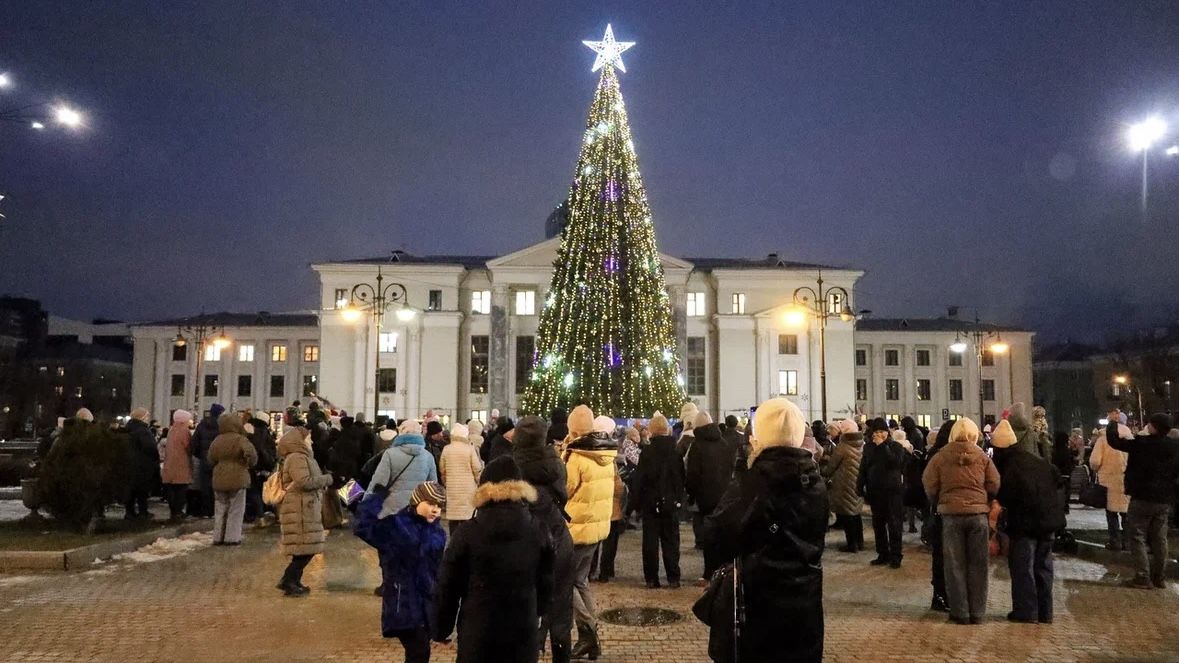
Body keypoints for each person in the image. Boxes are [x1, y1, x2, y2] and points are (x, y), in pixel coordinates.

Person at [701, 397, 827, 663]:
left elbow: (717, 534)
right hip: (805, 603)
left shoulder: (756, 481)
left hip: (760, 605)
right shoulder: (814, 481)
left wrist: (741, 472)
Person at [433, 456, 555, 663]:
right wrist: (539, 611)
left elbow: (448, 585)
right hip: (523, 627)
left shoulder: (467, 532)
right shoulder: (539, 530)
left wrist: (441, 628)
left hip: (478, 629)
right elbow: (547, 580)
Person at [355, 481, 447, 663]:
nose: (435, 510)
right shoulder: (397, 526)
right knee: (419, 651)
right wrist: (375, 498)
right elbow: (363, 527)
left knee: (419, 653)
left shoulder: (438, 533)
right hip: (402, 602)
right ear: (416, 501)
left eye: (439, 506)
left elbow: (438, 570)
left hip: (426, 604)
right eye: (430, 503)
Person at [922, 417, 1000, 625]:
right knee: (978, 565)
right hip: (977, 516)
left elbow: (929, 483)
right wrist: (984, 498)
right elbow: (994, 483)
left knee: (954, 565)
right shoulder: (982, 457)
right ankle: (977, 612)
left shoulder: (940, 457)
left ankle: (960, 612)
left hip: (951, 516)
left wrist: (939, 499)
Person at [513, 415, 575, 663]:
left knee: (524, 608)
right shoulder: (556, 462)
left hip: (523, 544)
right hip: (558, 538)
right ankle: (561, 655)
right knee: (561, 608)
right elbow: (563, 494)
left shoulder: (509, 465)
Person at [990, 419, 1064, 624]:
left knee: (1023, 567)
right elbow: (1057, 479)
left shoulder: (1009, 467)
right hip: (1048, 521)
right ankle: (1045, 612)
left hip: (1025, 524)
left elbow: (1004, 495)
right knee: (1044, 567)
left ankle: (1026, 611)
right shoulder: (1037, 461)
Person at [561, 404, 616, 661]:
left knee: (563, 581)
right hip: (596, 529)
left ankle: (589, 632)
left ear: (573, 430)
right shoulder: (605, 454)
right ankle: (590, 638)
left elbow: (565, 491)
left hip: (575, 530)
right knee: (580, 581)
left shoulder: (577, 457)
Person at [1105, 410, 1179, 589]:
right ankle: (1159, 577)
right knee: (1160, 538)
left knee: (1137, 535)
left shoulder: (1142, 443)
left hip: (1141, 496)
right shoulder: (1175, 447)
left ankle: (1142, 576)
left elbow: (1115, 441)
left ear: (1153, 426)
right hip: (1163, 499)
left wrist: (1113, 423)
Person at [276, 426, 334, 596]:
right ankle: (289, 581)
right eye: (308, 438)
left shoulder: (303, 457)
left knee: (306, 547)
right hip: (299, 508)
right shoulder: (297, 458)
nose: (312, 441)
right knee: (305, 547)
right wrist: (329, 479)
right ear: (300, 441)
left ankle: (292, 580)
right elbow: (304, 481)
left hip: (304, 506)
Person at [632, 412, 685, 589]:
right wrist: (679, 498)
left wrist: (636, 504)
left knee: (650, 542)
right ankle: (673, 576)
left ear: (652, 431)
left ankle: (652, 578)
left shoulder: (647, 452)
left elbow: (639, 480)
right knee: (671, 540)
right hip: (671, 504)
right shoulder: (676, 451)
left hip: (650, 504)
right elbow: (680, 478)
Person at [685, 410, 737, 580]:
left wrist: (691, 495)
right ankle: (724, 572)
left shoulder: (697, 445)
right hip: (724, 495)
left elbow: (692, 474)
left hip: (705, 497)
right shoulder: (723, 443)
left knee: (708, 537)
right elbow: (731, 467)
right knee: (722, 535)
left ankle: (709, 573)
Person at [857, 419, 907, 568]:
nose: (879, 434)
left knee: (894, 525)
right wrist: (859, 486)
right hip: (875, 492)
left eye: (882, 432)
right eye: (876, 432)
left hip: (893, 493)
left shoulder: (896, 447)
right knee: (878, 525)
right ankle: (882, 553)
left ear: (887, 432)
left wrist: (882, 445)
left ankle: (896, 555)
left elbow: (895, 463)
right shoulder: (868, 448)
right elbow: (863, 468)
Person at [367, 421, 439, 519]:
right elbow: (432, 487)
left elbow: (378, 482)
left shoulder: (390, 454)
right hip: (418, 510)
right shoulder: (428, 457)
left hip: (392, 509)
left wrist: (366, 502)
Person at [207, 412, 258, 545]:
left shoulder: (217, 440)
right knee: (236, 509)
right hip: (238, 476)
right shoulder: (240, 439)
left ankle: (218, 537)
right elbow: (251, 454)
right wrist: (248, 463)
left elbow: (210, 459)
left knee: (220, 509)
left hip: (219, 476)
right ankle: (232, 538)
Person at [923, 420, 955, 612]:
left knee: (942, 554)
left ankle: (942, 594)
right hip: (940, 510)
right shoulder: (939, 455)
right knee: (942, 555)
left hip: (938, 509)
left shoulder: (935, 454)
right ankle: (940, 595)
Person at [823, 419, 864, 553]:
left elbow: (831, 467)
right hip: (858, 483)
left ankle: (851, 545)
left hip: (844, 484)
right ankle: (860, 542)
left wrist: (824, 472)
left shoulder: (843, 446)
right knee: (856, 514)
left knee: (847, 515)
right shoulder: (862, 444)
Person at [1089, 420, 1130, 550]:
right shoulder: (1130, 439)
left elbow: (1095, 461)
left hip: (1108, 481)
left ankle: (1115, 542)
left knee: (1111, 513)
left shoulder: (1103, 440)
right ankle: (1128, 543)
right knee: (1127, 514)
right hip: (1127, 480)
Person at [439, 423, 483, 536]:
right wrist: (479, 482)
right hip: (468, 488)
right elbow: (477, 468)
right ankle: (466, 540)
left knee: (453, 518)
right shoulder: (470, 449)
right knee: (467, 516)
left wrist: (445, 482)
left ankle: (453, 539)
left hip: (452, 488)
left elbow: (442, 469)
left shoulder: (446, 449)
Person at [124, 407, 158, 520]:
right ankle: (143, 512)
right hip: (143, 465)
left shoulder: (127, 429)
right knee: (142, 491)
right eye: (146, 416)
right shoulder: (143, 430)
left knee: (130, 490)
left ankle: (129, 512)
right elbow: (150, 447)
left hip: (128, 464)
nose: (147, 418)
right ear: (142, 417)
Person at [160, 409, 194, 522]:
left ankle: (173, 511)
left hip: (170, 464)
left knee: (171, 489)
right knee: (181, 489)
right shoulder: (184, 431)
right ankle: (178, 512)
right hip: (181, 463)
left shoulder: (171, 430)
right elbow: (189, 447)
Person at [191, 403, 224, 518]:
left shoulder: (201, 425)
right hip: (219, 461)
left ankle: (206, 511)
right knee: (219, 487)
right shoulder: (223, 426)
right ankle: (217, 511)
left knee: (205, 487)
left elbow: (193, 444)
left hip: (205, 461)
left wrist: (201, 455)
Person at [244, 411, 276, 524]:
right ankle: (268, 513)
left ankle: (259, 515)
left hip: (255, 465)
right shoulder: (267, 433)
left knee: (254, 491)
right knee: (263, 490)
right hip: (266, 465)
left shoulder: (252, 432)